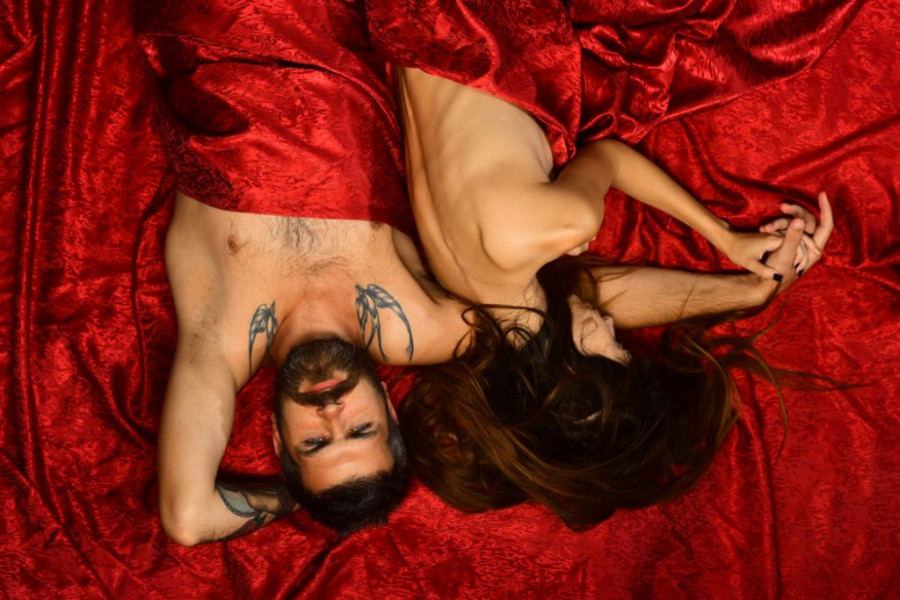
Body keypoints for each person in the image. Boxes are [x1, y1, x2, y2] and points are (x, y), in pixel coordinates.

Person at [386, 60, 833, 526]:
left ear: (575, 383)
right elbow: (603, 296)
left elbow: (611, 158)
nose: (611, 324)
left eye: (616, 346)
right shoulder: (466, 296)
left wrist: (725, 237)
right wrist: (753, 290)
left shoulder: (565, 222)